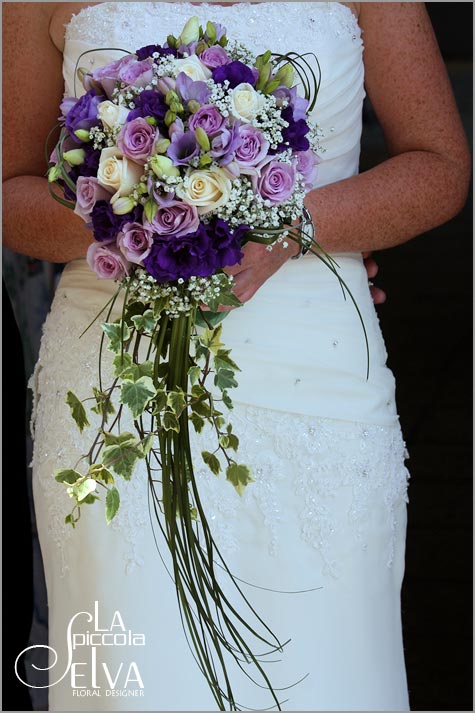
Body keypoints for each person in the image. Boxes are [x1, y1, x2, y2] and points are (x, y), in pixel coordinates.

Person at [3, 2, 470, 711]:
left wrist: (296, 224)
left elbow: (438, 166)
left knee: (326, 664)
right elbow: (8, 189)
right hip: (114, 389)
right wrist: (128, 215)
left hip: (318, 378)